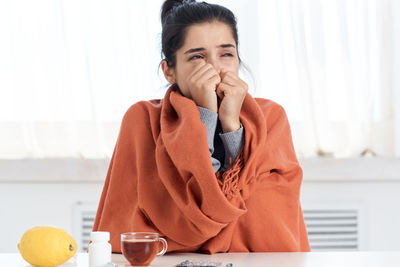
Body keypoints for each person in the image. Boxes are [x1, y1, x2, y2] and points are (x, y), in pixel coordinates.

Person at [92, 0, 310, 253]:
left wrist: (231, 126)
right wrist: (204, 116)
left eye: (226, 54)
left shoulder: (271, 118)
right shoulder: (141, 119)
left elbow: (267, 215)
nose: (215, 67)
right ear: (169, 71)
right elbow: (152, 227)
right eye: (197, 56)